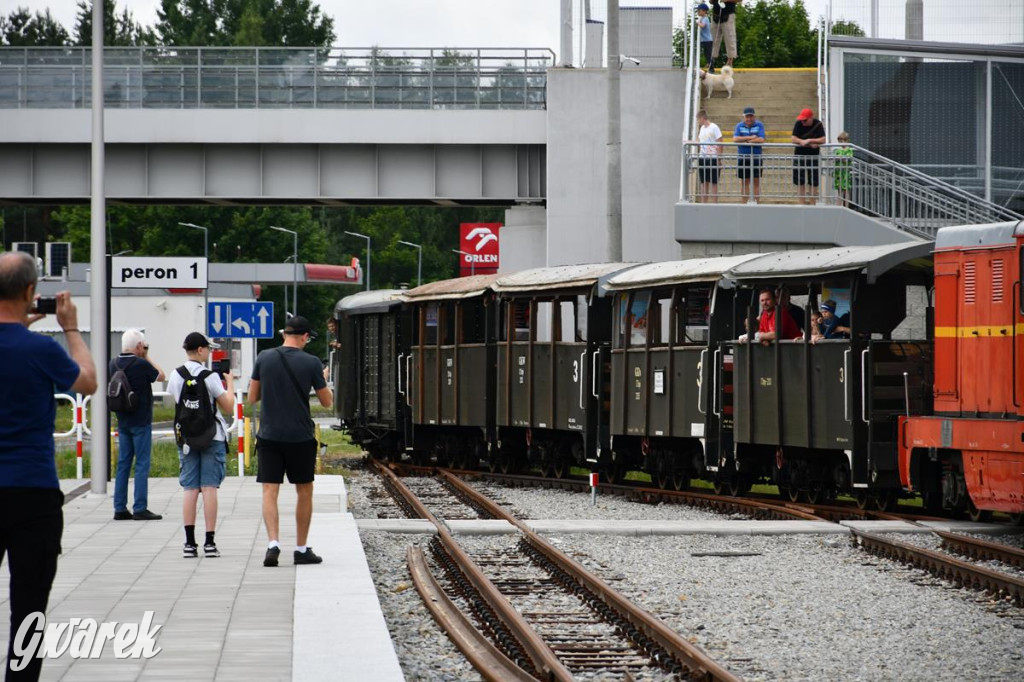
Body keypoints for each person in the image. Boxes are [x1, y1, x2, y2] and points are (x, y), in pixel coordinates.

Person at [0, 252, 97, 681]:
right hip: (32, 493)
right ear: (29, 293)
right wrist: (70, 329)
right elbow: (88, 380)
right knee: (29, 607)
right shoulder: (40, 349)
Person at [249, 316, 333, 567]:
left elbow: (252, 397)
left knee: (269, 490)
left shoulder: (264, 357)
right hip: (300, 437)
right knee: (304, 490)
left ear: (284, 334)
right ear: (305, 337)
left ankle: (273, 544)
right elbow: (327, 402)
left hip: (269, 435)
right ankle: (300, 549)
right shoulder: (312, 363)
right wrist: (322, 377)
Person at [167, 332, 235, 559]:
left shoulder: (175, 375)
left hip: (186, 438)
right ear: (200, 350)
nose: (209, 352)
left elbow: (177, 402)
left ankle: (188, 543)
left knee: (190, 489)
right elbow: (228, 407)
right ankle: (209, 543)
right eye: (208, 348)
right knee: (209, 488)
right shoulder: (210, 376)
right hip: (211, 437)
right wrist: (231, 385)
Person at [110, 328, 165, 521]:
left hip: (122, 420)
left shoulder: (113, 364)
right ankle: (140, 507)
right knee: (141, 464)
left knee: (123, 464)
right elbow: (161, 375)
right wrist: (147, 356)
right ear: (139, 346)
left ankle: (119, 508)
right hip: (140, 421)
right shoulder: (141, 364)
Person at [791, 108, 827, 205]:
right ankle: (801, 203)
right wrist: (801, 141)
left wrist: (810, 140)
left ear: (811, 118)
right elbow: (793, 138)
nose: (803, 122)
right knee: (799, 180)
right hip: (800, 155)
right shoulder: (798, 123)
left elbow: (823, 139)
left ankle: (812, 203)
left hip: (813, 156)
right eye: (802, 120)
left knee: (813, 181)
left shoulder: (818, 124)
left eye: (805, 120)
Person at [734, 106, 766, 204]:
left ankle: (757, 203)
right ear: (744, 117)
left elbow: (761, 139)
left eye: (751, 116)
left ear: (754, 117)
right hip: (743, 157)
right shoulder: (739, 126)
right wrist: (750, 137)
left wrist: (747, 140)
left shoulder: (759, 125)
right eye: (747, 117)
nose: (749, 119)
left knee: (756, 181)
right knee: (744, 182)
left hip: (756, 157)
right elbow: (735, 139)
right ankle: (744, 204)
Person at [696, 109, 723, 203]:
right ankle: (704, 204)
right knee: (704, 182)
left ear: (702, 118)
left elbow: (720, 142)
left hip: (713, 157)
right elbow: (699, 141)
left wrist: (719, 158)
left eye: (698, 119)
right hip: (703, 157)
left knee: (714, 182)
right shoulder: (702, 128)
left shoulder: (714, 127)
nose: (698, 122)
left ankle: (714, 204)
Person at [709, 0, 741, 72]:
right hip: (715, 15)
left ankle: (730, 62)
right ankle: (711, 62)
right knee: (713, 39)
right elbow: (710, 2)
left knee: (730, 38)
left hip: (728, 14)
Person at [833, 131, 854, 207]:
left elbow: (847, 160)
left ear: (847, 140)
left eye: (843, 141)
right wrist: (836, 159)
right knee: (839, 190)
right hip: (838, 172)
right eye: (840, 141)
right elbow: (834, 160)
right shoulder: (838, 150)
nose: (842, 143)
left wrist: (841, 158)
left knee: (846, 190)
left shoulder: (849, 150)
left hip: (845, 172)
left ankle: (846, 206)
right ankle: (838, 205)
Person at [696, 4, 713, 69]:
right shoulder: (702, 18)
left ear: (704, 11)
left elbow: (703, 25)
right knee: (706, 54)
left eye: (699, 11)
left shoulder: (705, 18)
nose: (698, 12)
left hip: (708, 40)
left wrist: (698, 23)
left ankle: (711, 67)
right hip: (705, 40)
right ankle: (709, 64)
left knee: (709, 54)